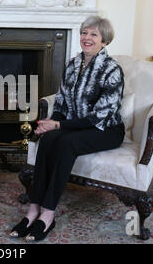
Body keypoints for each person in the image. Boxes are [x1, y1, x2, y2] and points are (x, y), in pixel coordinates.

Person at [10, 16, 125, 242]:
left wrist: (59, 124)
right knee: (49, 138)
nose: (87, 38)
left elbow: (99, 116)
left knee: (65, 143)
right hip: (76, 125)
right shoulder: (73, 64)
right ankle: (33, 210)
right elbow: (61, 102)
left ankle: (48, 214)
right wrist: (50, 124)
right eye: (84, 33)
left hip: (106, 129)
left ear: (104, 41)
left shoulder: (112, 70)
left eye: (93, 34)